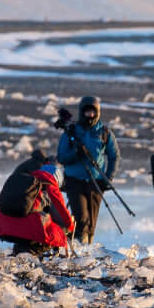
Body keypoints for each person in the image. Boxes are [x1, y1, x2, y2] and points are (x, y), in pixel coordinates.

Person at [55, 95, 118, 243]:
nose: (90, 115)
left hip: (96, 182)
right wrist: (76, 154)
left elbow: (114, 156)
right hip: (74, 181)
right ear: (81, 112)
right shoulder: (71, 132)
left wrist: (108, 178)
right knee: (81, 218)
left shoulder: (104, 133)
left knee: (91, 221)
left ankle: (87, 249)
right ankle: (79, 246)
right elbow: (62, 157)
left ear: (98, 113)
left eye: (93, 112)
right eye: (86, 112)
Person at [0, 150, 74, 255]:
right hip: (30, 232)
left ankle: (20, 250)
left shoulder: (27, 182)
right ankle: (32, 251)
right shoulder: (50, 185)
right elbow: (63, 216)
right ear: (57, 179)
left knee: (28, 221)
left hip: (3, 228)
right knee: (58, 230)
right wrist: (70, 226)